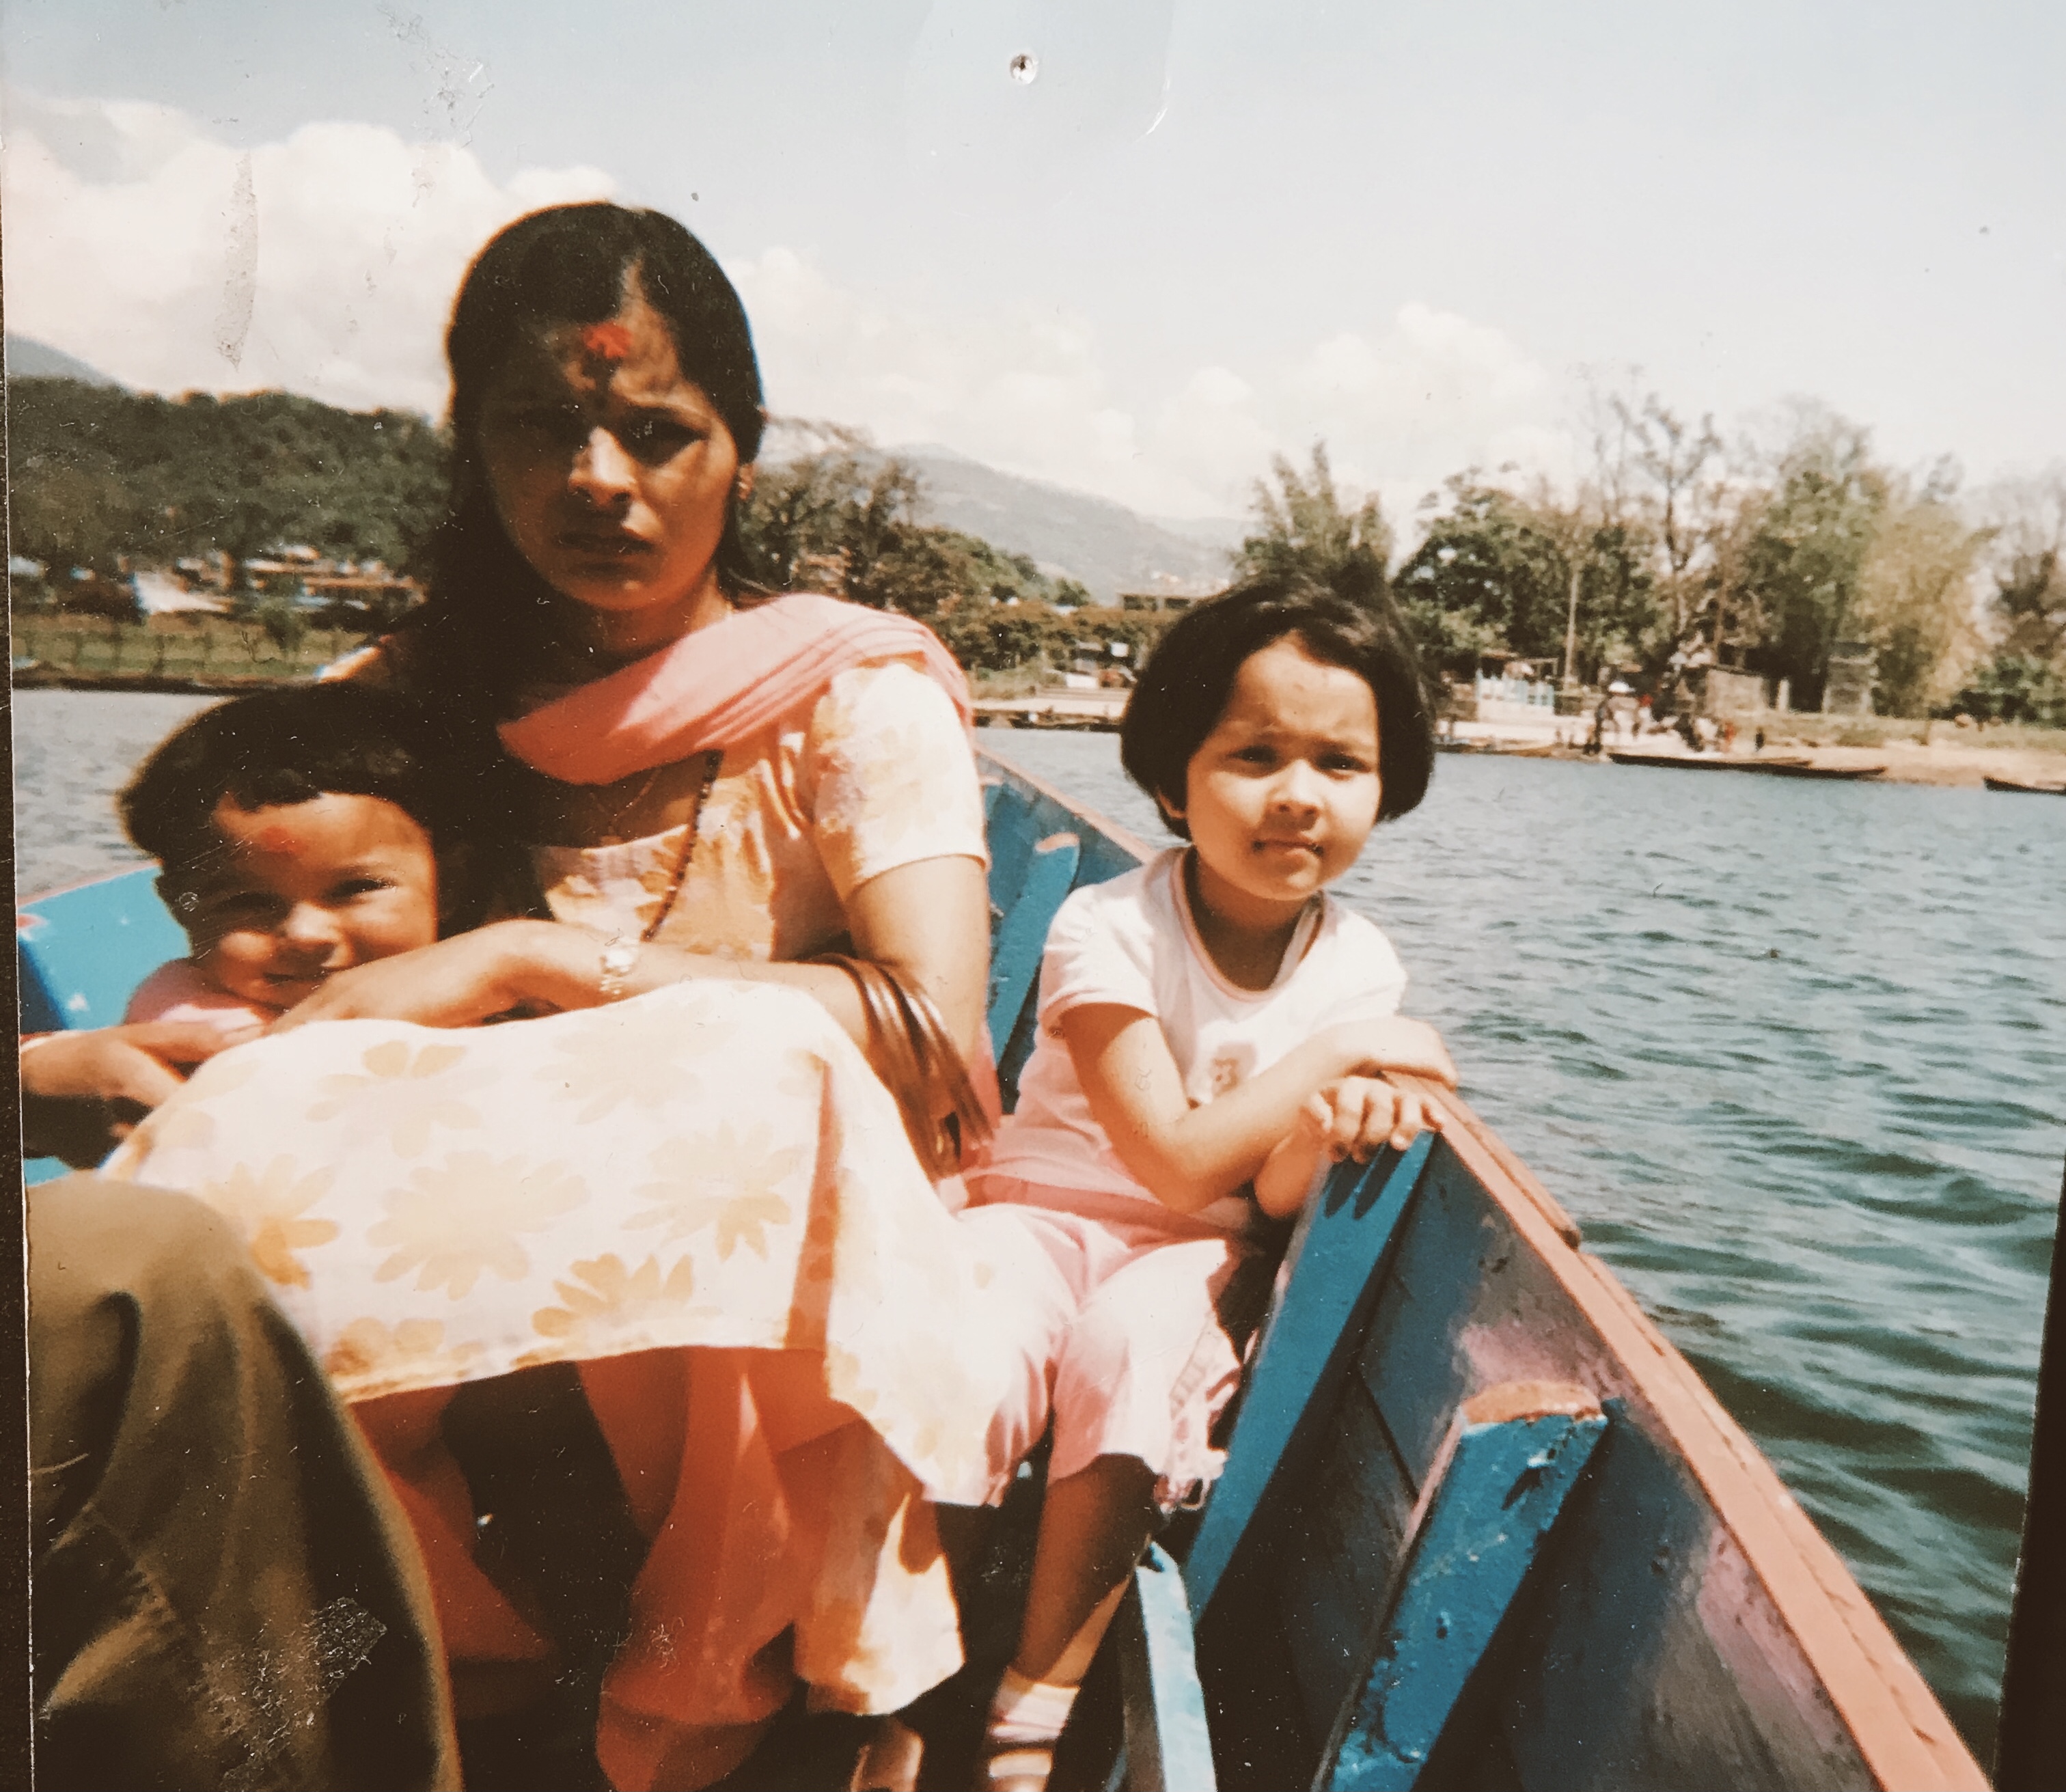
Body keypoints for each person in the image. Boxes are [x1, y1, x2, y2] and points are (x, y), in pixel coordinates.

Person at [96, 200, 1008, 1792]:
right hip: (453, 1244)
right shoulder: (394, 708)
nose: (598, 478)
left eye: (657, 432)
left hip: (763, 1241)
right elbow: (250, 965)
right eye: (542, 427)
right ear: (476, 447)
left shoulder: (845, 699)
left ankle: (713, 1695)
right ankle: (427, 1663)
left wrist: (526, 961)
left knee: (742, 1105)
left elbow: (932, 1032)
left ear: (740, 454)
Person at [954, 571, 1456, 1790]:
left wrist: (1337, 1121)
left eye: (1340, 762)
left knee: (1132, 1348)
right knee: (965, 1335)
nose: (1297, 794)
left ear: (1384, 788)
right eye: (1254, 755)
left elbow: (1267, 1194)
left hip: (1194, 1248)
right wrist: (1343, 1056)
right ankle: (895, 1669)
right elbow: (1171, 1157)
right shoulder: (1106, 926)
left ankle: (1031, 1707)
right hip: (1039, 1209)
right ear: (1175, 780)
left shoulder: (1357, 964)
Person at [115, 685, 485, 1032]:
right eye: (247, 902)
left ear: (447, 885)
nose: (305, 935)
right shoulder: (195, 1028)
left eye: (355, 889)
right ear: (181, 906)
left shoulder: (489, 988)